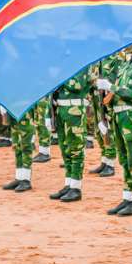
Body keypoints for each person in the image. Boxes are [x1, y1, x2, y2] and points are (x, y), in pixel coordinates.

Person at [99, 41, 132, 217]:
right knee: (124, 158)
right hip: (118, 116)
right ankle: (127, 196)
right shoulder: (126, 64)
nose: (127, 44)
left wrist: (112, 87)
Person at [50, 66, 93, 202]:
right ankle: (68, 184)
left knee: (76, 149)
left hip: (74, 111)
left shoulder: (83, 64)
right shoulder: (65, 65)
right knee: (65, 149)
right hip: (61, 110)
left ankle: (76, 187)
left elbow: (77, 85)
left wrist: (58, 76)